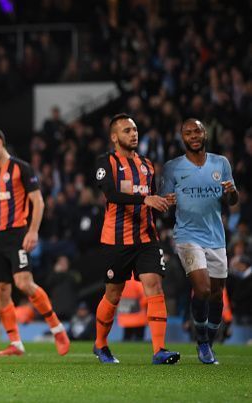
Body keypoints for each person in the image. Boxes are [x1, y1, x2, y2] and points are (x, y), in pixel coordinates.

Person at [0, 127, 70, 357]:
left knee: (24, 283)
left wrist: (33, 231)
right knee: (1, 289)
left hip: (17, 233)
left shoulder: (21, 168)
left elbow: (38, 202)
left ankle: (57, 329)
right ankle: (16, 344)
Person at [93, 113, 179, 365]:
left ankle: (159, 350)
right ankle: (101, 344)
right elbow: (110, 193)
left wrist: (161, 201)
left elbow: (148, 197)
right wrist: (146, 199)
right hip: (116, 240)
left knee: (154, 285)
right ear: (114, 136)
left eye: (135, 130)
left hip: (146, 237)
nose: (133, 134)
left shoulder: (147, 165)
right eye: (127, 130)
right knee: (113, 294)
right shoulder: (105, 162)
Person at [161, 119, 239, 364]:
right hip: (187, 236)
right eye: (188, 132)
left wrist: (231, 193)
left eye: (197, 131)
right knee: (203, 289)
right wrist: (167, 202)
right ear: (182, 137)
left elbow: (232, 200)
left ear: (205, 134)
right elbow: (162, 202)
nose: (193, 135)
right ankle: (202, 341)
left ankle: (209, 342)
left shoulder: (221, 163)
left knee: (216, 295)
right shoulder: (172, 167)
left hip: (216, 237)